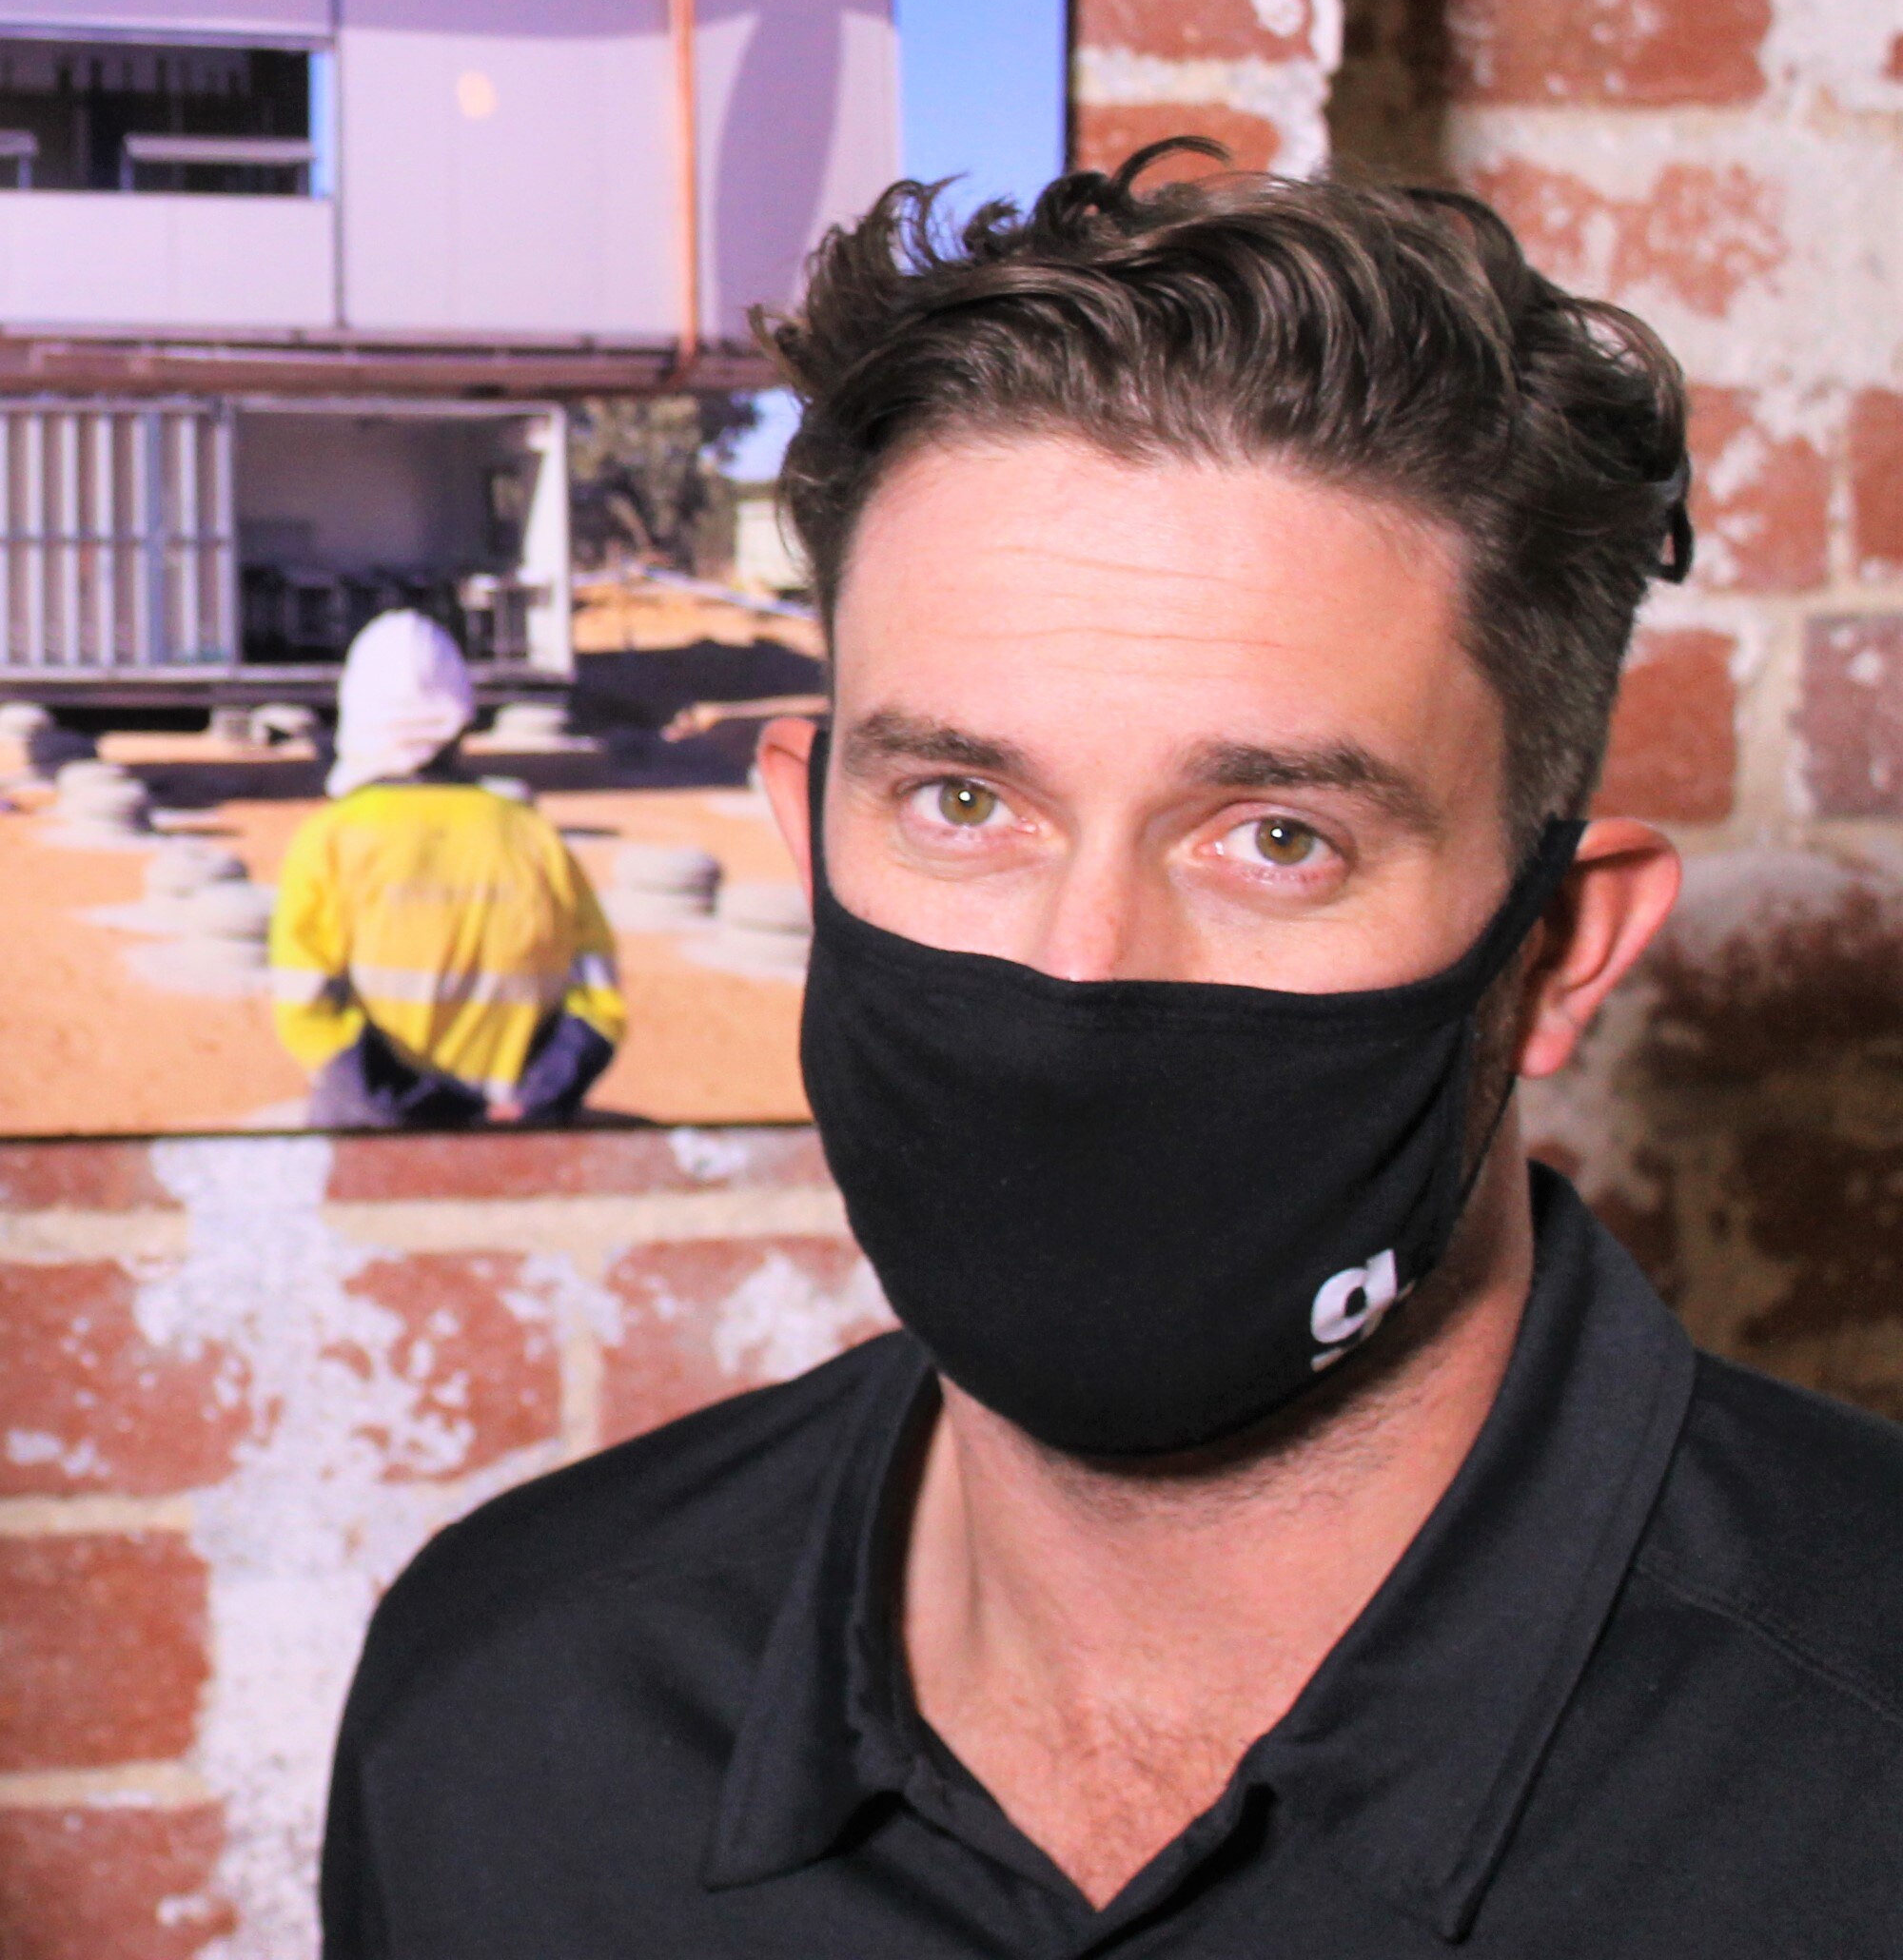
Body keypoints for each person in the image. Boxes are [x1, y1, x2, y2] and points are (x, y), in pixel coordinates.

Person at [324, 150, 1903, 1953]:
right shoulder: (502, 1710)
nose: (1077, 970)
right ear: (808, 833)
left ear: (1553, 949)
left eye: (1274, 835)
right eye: (962, 798)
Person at [270, 610, 623, 1128]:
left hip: (376, 1130)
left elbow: (306, 1012)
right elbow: (598, 1004)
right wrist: (531, 1101)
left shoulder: (329, 842)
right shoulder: (533, 837)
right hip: (517, 1128)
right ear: (461, 721)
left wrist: (420, 1104)